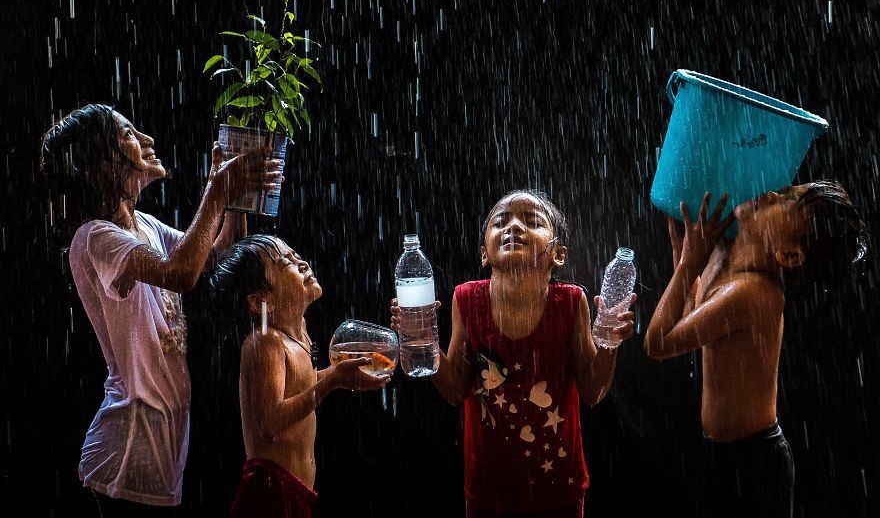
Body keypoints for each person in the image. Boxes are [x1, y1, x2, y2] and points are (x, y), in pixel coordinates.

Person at [39, 103, 279, 516]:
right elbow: (181, 273)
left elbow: (213, 259)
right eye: (129, 134)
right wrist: (216, 191)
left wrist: (233, 196)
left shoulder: (145, 226)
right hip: (125, 454)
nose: (147, 140)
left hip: (161, 451)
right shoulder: (95, 238)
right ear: (100, 164)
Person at [392, 190, 637, 518]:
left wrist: (609, 341)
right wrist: (422, 339)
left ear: (558, 255)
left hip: (558, 485)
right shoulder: (467, 300)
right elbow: (454, 390)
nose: (514, 227)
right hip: (487, 488)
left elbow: (593, 391)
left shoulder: (571, 303)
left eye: (532, 221)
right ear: (484, 253)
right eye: (501, 222)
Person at [645, 184, 867, 518]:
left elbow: (657, 344)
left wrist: (689, 263)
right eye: (788, 190)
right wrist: (684, 253)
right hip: (723, 452)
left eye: (787, 203)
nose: (773, 194)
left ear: (789, 255)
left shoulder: (753, 292)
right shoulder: (725, 259)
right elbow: (692, 313)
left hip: (755, 462)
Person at [210, 235, 390, 518]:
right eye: (286, 264)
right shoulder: (265, 342)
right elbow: (270, 422)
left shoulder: (299, 333)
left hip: (293, 490)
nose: (302, 263)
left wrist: (338, 375)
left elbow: (300, 385)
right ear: (259, 302)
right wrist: (331, 382)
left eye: (296, 256)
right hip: (268, 490)